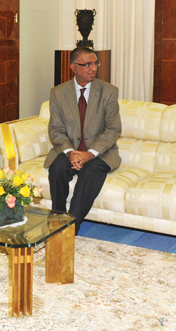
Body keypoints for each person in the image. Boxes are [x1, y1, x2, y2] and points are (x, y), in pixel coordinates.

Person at [45, 47, 122, 235]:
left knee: (90, 172)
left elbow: (113, 129)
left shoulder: (108, 92)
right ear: (74, 67)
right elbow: (55, 129)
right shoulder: (58, 93)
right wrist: (71, 152)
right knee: (57, 169)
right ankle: (57, 217)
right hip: (70, 150)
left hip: (99, 152)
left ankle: (71, 227)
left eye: (95, 63)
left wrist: (89, 153)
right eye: (86, 64)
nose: (93, 68)